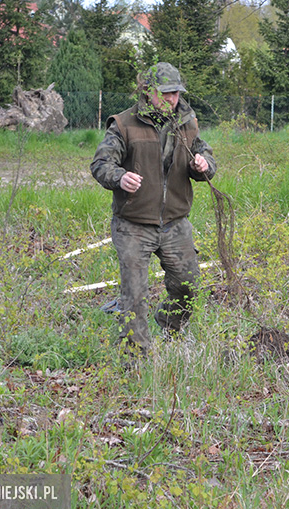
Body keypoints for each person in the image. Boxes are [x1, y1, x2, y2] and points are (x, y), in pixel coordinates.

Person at [91, 62, 216, 361]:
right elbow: (100, 164)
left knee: (188, 287)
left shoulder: (187, 122)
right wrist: (119, 177)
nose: (172, 99)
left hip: (175, 223)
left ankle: (168, 326)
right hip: (133, 224)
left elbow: (205, 154)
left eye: (176, 93)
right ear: (149, 92)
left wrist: (204, 165)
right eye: (166, 93)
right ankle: (136, 360)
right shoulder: (124, 124)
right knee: (134, 296)